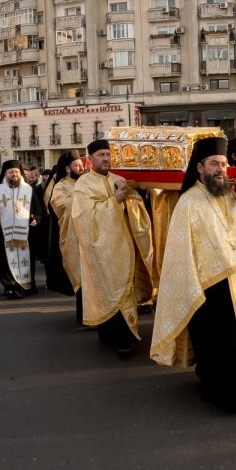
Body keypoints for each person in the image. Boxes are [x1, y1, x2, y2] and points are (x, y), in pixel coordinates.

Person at [151, 137, 236, 413]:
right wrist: (192, 289)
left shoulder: (228, 194)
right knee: (216, 344)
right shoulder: (188, 202)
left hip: (234, 281)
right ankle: (223, 393)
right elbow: (181, 252)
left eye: (223, 163)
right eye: (214, 164)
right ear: (200, 167)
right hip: (207, 287)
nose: (221, 169)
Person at [71, 139, 156, 358]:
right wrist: (114, 201)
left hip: (124, 245)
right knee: (107, 290)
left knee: (124, 289)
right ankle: (109, 331)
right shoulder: (84, 184)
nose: (106, 159)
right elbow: (83, 217)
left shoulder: (119, 179)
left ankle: (124, 338)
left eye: (108, 155)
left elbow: (136, 206)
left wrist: (130, 199)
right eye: (101, 155)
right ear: (91, 160)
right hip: (100, 247)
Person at [0, 160, 38, 299]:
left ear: (21, 173)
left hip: (25, 233)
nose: (14, 175)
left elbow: (38, 208)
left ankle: (27, 286)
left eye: (16, 172)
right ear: (5, 174)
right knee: (6, 261)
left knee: (26, 259)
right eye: (11, 172)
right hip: (5, 235)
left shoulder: (29, 189)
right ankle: (10, 287)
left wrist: (37, 219)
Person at [42, 151, 82, 301]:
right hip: (71, 234)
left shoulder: (85, 182)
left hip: (88, 234)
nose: (81, 168)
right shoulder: (60, 187)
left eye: (81, 165)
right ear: (67, 168)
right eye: (77, 165)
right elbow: (60, 206)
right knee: (79, 276)